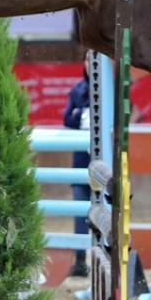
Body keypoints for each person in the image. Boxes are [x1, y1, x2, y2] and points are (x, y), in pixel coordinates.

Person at [63, 75, 91, 277]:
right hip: (81, 159)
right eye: (88, 60)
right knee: (80, 213)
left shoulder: (112, 87)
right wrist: (82, 114)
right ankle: (80, 261)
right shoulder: (77, 90)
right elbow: (67, 119)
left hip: (106, 161)